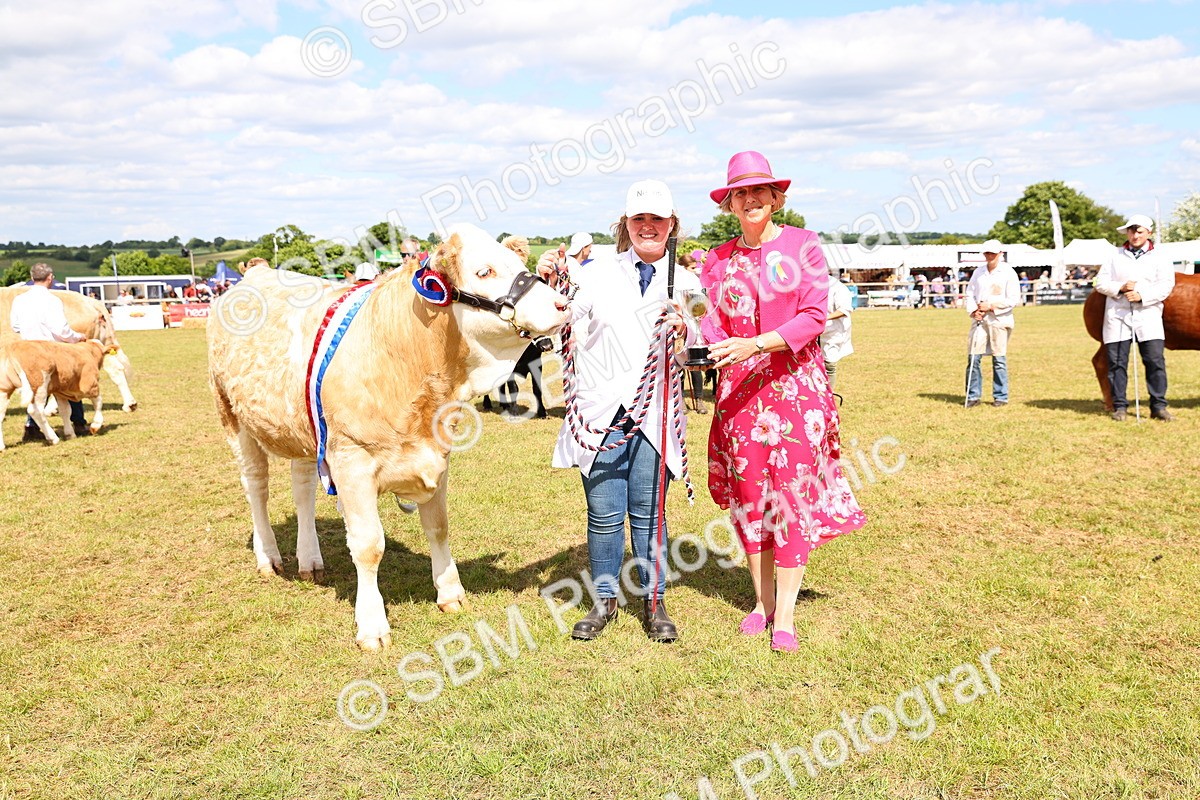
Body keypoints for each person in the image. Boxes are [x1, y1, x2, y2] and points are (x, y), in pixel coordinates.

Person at [699, 151, 866, 653]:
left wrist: (757, 343)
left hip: (795, 391)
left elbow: (815, 315)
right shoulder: (717, 257)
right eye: (740, 193)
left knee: (790, 500)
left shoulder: (804, 245)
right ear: (730, 203)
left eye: (760, 191)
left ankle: (787, 615)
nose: (750, 200)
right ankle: (762, 603)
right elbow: (711, 320)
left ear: (776, 198)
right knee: (753, 501)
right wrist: (699, 343)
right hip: (739, 395)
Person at [545, 179, 697, 644]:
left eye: (657, 219)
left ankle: (655, 604)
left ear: (671, 225)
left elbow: (701, 345)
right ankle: (604, 601)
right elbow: (563, 316)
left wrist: (686, 329)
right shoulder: (596, 273)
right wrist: (552, 283)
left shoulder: (688, 281)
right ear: (625, 225)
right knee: (604, 514)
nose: (647, 227)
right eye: (639, 219)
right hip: (602, 412)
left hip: (655, 414)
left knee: (650, 515)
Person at [1093, 214, 1175, 421]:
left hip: (1148, 315)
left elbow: (1166, 285)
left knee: (1155, 361)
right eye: (1132, 231)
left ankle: (1158, 406)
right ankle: (1119, 406)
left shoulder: (1160, 257)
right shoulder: (1115, 255)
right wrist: (1119, 287)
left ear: (1149, 233)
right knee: (1117, 362)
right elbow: (1100, 282)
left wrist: (1142, 296)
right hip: (1118, 315)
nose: (1135, 235)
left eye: (1139, 231)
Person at [9, 263, 87, 440]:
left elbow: (15, 326)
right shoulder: (52, 300)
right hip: (51, 349)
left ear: (31, 277)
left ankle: (31, 427)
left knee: (36, 387)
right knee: (69, 384)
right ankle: (79, 423)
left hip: (27, 350)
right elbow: (61, 330)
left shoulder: (19, 300)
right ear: (50, 277)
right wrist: (77, 337)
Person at [964, 240, 1020, 408]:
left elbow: (1013, 299)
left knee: (999, 358)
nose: (990, 256)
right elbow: (970, 293)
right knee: (974, 357)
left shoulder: (1009, 273)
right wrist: (974, 310)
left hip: (999, 320)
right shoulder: (978, 272)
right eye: (987, 253)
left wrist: (992, 306)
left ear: (1000, 254)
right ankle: (973, 395)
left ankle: (1001, 396)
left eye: (993, 253)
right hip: (979, 319)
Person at [821, 268, 854, 392]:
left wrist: (823, 318)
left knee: (829, 363)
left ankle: (830, 395)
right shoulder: (809, 285)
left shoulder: (838, 288)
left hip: (833, 331)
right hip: (814, 331)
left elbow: (844, 310)